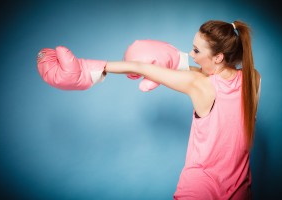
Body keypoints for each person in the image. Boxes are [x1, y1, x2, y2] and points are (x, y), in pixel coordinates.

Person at [37, 20, 261, 199]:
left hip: (201, 186)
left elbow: (140, 67)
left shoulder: (199, 83)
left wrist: (85, 69)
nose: (191, 54)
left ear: (219, 56)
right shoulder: (253, 79)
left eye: (195, 50)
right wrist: (179, 61)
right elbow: (215, 74)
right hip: (239, 188)